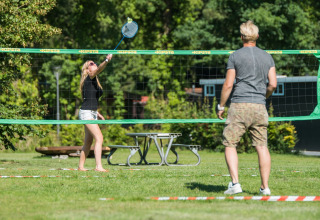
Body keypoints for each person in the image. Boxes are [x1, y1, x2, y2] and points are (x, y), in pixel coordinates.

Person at [217, 20, 277, 195]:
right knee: (262, 146)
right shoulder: (268, 56)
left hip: (239, 105)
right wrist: (262, 97)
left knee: (230, 144)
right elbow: (273, 84)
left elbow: (228, 84)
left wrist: (221, 105)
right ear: (257, 36)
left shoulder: (235, 56)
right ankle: (265, 188)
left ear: (241, 37)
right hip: (259, 106)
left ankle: (235, 184)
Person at [78, 54, 113, 172]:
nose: (95, 64)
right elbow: (99, 69)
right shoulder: (89, 77)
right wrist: (107, 60)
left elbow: (91, 99)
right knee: (99, 138)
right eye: (91, 64)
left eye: (94, 63)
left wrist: (96, 113)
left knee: (88, 141)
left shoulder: (94, 82)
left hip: (91, 112)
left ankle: (80, 167)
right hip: (86, 113)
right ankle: (99, 167)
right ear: (87, 70)